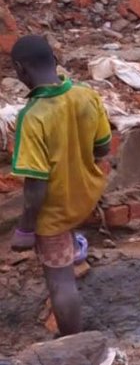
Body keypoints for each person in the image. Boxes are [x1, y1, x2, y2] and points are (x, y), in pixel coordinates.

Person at [9, 35, 112, 337]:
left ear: (20, 70)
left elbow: (36, 185)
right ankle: (75, 243)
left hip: (54, 213)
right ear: (54, 61)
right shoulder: (86, 95)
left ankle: (73, 342)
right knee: (66, 239)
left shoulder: (33, 117)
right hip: (87, 196)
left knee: (61, 282)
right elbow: (103, 149)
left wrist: (26, 229)